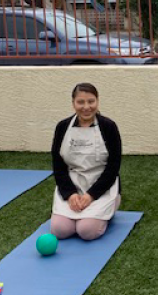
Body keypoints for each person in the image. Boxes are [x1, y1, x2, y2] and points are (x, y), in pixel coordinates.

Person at [50, 83, 122, 240]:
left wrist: (91, 195)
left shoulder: (108, 126)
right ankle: (83, 213)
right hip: (73, 184)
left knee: (86, 231)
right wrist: (70, 194)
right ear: (73, 103)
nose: (86, 107)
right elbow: (58, 166)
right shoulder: (62, 127)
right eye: (80, 102)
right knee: (59, 230)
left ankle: (110, 209)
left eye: (91, 101)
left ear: (97, 101)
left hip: (102, 187)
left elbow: (113, 167)